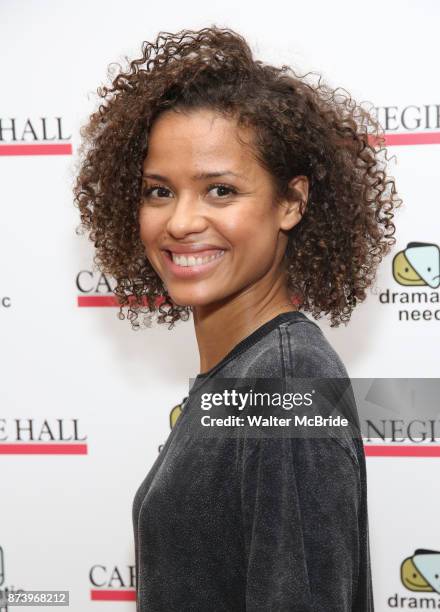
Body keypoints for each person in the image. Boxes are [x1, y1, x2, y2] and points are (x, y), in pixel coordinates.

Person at [74, 25, 401, 611]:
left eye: (220, 190)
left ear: (292, 203)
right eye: (158, 191)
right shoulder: (248, 374)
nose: (180, 222)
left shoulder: (283, 383)